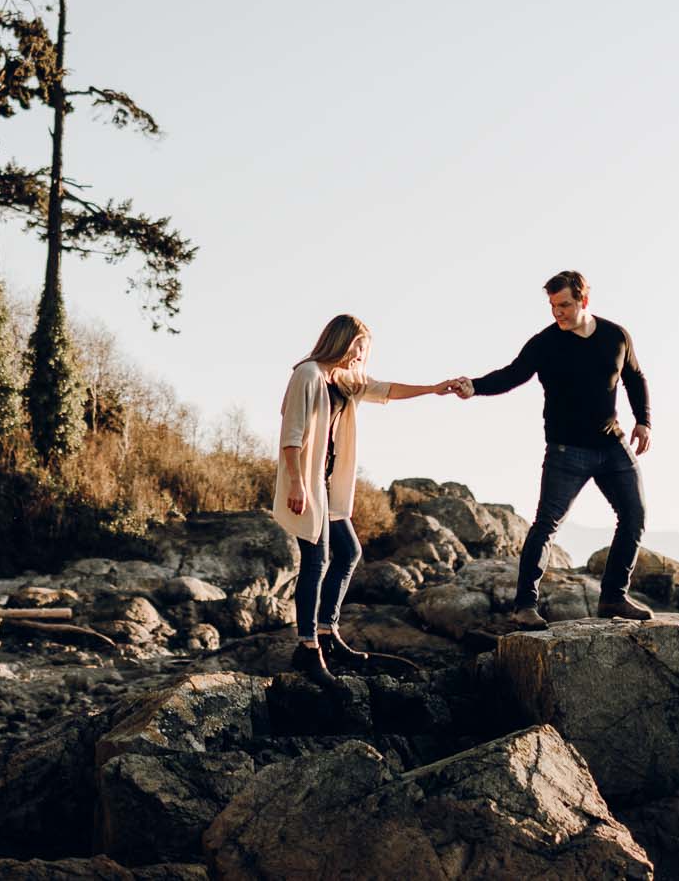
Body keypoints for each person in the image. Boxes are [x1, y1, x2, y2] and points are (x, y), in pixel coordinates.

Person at [450, 270, 653, 624]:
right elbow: (511, 375)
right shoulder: (545, 343)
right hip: (566, 451)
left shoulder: (615, 336)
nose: (557, 312)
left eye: (564, 305)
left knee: (634, 517)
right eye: (553, 306)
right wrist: (474, 386)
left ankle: (614, 598)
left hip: (613, 444)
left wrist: (644, 420)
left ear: (583, 301)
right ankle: (524, 606)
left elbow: (634, 377)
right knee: (546, 525)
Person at [276, 314, 458, 685]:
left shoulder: (342, 380)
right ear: (342, 341)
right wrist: (297, 485)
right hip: (308, 483)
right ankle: (307, 648)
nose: (363, 355)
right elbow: (292, 437)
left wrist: (433, 388)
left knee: (347, 552)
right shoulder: (307, 375)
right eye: (360, 347)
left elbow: (386, 389)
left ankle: (326, 633)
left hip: (328, 485)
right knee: (317, 559)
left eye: (366, 350)